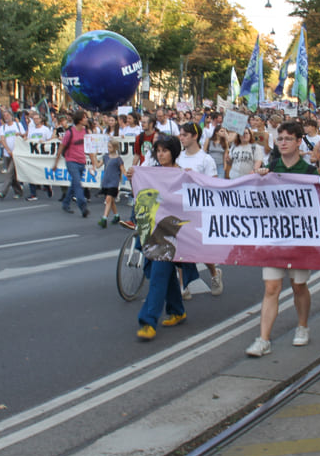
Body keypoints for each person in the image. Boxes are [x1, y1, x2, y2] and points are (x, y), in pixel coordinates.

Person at [247, 121, 318, 357]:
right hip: (274, 236)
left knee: (298, 285)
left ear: (299, 141)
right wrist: (258, 177)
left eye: (288, 138)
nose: (283, 143)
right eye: (280, 139)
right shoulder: (271, 167)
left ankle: (302, 326)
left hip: (298, 238)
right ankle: (263, 338)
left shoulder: (309, 172)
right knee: (271, 287)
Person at [132, 135, 191, 340]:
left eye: (165, 150)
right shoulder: (151, 173)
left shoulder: (183, 174)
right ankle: (177, 310)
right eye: (158, 151)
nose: (160, 154)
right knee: (161, 273)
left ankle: (148, 321)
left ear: (173, 152)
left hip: (172, 236)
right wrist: (133, 175)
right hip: (152, 232)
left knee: (158, 274)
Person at [176, 121, 223, 296]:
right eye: (180, 134)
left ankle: (214, 273)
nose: (181, 138)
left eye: (185, 135)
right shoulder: (178, 157)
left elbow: (214, 185)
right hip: (180, 207)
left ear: (195, 136)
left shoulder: (205, 159)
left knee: (201, 250)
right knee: (180, 248)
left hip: (199, 209)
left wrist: (194, 177)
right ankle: (184, 285)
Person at [54, 110, 89, 216]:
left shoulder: (85, 131)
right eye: (84, 117)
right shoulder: (70, 132)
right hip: (71, 161)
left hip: (81, 161)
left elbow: (90, 146)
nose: (87, 119)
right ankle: (83, 206)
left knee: (74, 183)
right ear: (79, 119)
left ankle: (65, 203)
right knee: (78, 183)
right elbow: (61, 147)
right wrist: (56, 162)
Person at [0, 110, 26, 200]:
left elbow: (24, 136)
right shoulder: (3, 128)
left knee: (9, 172)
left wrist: (20, 134)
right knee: (13, 175)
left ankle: (3, 191)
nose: (6, 117)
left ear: (11, 116)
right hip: (7, 153)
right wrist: (8, 150)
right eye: (4, 116)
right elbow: (2, 139)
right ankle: (18, 191)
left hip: (17, 153)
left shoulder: (18, 125)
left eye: (7, 115)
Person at [94, 138, 124, 227]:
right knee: (111, 201)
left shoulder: (118, 159)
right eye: (108, 147)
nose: (108, 149)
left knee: (108, 199)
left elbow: (123, 170)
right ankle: (116, 216)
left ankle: (104, 219)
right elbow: (98, 165)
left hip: (114, 183)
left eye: (110, 147)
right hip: (106, 182)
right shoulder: (106, 157)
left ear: (115, 148)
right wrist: (94, 156)